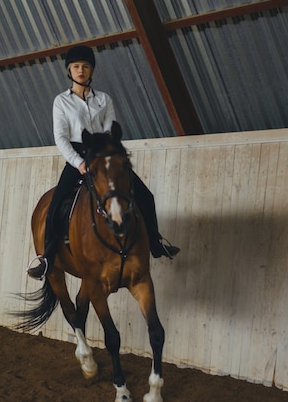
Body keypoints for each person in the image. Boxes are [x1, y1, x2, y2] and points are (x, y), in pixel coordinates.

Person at [27, 45, 180, 280]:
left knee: (145, 196)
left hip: (102, 155)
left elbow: (110, 129)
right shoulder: (61, 102)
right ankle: (47, 258)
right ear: (70, 70)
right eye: (76, 66)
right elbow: (61, 137)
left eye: (86, 67)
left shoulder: (104, 99)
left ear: (91, 71)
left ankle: (156, 244)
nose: (81, 70)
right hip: (78, 155)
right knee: (55, 205)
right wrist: (78, 163)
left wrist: (107, 155)